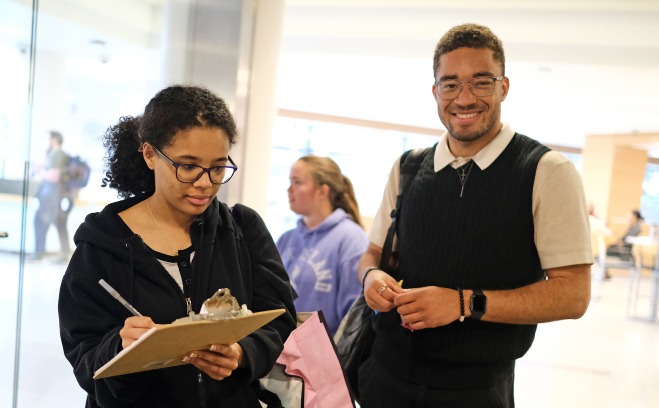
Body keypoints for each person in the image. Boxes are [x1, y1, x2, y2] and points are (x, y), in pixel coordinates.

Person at [356, 24, 592, 407]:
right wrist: (372, 277)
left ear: (504, 87)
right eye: (450, 84)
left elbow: (573, 295)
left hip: (476, 390)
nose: (464, 98)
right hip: (385, 377)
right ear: (435, 92)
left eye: (481, 82)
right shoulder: (408, 167)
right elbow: (372, 254)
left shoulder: (546, 171)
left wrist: (464, 303)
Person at [58, 85, 297, 408]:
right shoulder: (103, 244)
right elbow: (84, 354)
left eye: (217, 167)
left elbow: (278, 319)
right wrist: (119, 347)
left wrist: (243, 354)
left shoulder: (241, 229)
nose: (205, 183)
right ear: (150, 154)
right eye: (188, 166)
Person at [276, 155, 369, 335]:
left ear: (322, 192)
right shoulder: (286, 239)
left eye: (297, 182)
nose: (289, 189)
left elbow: (353, 316)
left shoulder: (351, 239)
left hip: (326, 356)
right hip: (282, 352)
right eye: (290, 181)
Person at [32, 130, 71, 261]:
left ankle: (39, 253)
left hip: (51, 194)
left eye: (47, 138)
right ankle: (64, 253)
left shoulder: (56, 154)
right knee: (59, 223)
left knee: (41, 222)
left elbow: (54, 176)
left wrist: (39, 171)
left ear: (54, 139)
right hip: (56, 194)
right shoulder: (57, 154)